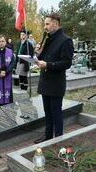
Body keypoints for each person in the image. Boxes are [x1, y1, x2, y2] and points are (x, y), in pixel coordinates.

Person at [34, 13, 74, 144]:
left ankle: (58, 139)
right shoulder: (47, 39)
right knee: (47, 111)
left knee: (56, 112)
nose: (45, 27)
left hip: (56, 83)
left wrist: (48, 65)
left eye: (47, 24)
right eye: (44, 24)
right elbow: (41, 59)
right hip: (45, 81)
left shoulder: (65, 40)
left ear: (56, 23)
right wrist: (38, 53)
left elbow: (66, 63)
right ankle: (48, 136)